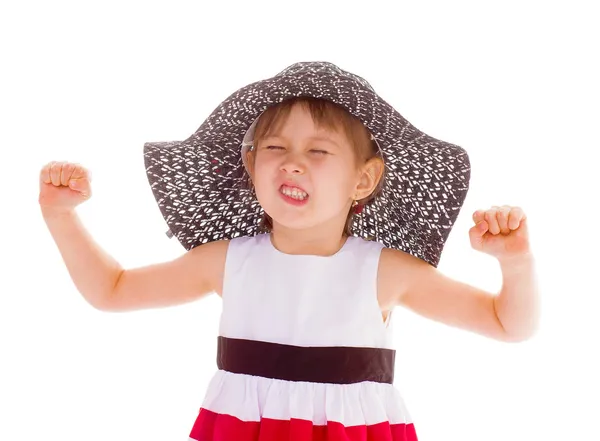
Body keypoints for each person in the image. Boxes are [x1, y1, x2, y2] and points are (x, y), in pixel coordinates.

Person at [39, 62, 540, 440]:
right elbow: (112, 290)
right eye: (275, 148)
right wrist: (62, 217)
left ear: (363, 179)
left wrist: (515, 264)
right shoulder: (229, 260)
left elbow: (508, 325)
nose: (292, 164)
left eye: (318, 151)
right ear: (251, 165)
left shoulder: (384, 271)